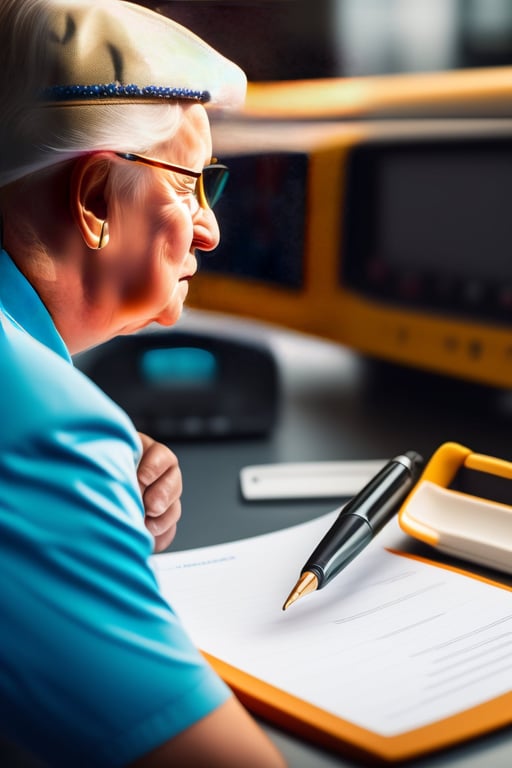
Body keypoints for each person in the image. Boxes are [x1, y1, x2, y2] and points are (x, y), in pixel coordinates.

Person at [0, 1, 287, 766]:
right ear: (94, 200)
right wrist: (64, 466)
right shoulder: (38, 430)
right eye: (192, 184)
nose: (209, 228)